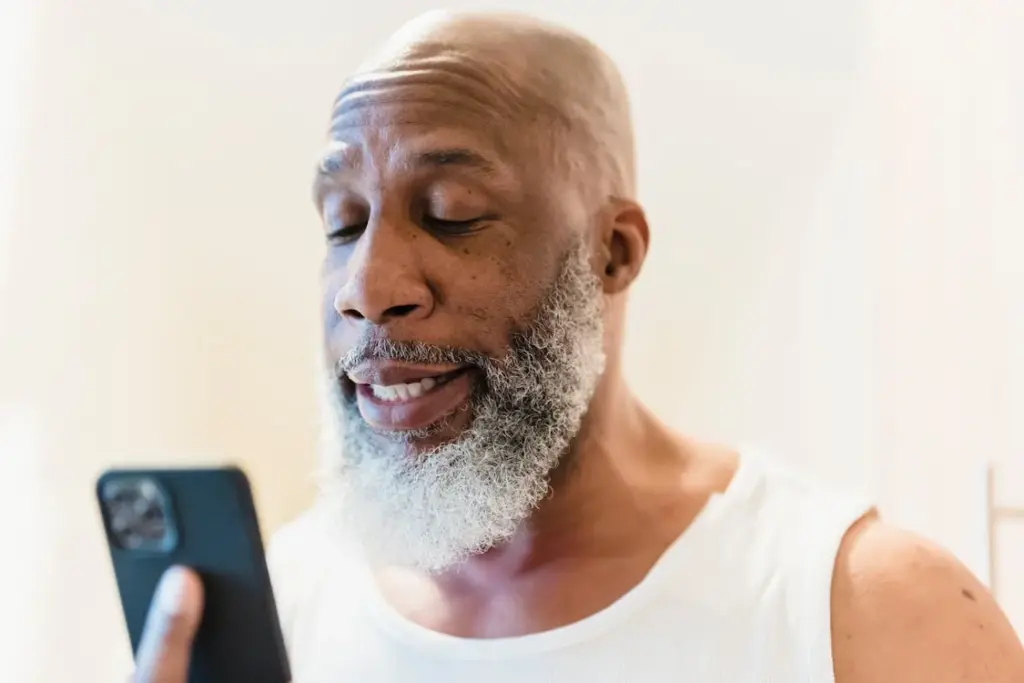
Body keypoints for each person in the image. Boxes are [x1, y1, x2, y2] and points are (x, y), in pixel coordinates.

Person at [130, 10, 1024, 683]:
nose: (368, 289)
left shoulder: (864, 612)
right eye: (343, 222)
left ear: (613, 252)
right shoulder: (278, 609)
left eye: (451, 215)